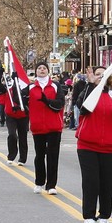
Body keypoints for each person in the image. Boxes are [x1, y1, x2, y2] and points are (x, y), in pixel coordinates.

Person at [74, 66, 112, 223]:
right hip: (87, 146)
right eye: (97, 74)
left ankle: (104, 216)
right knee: (91, 183)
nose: (100, 77)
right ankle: (89, 218)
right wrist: (90, 85)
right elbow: (82, 108)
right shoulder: (86, 93)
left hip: (109, 148)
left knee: (107, 183)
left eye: (103, 75)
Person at [28, 61, 66, 194]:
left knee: (52, 156)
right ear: (36, 71)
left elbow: (60, 103)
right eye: (39, 68)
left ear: (48, 71)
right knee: (39, 156)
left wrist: (47, 101)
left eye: (44, 68)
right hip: (38, 126)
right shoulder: (31, 86)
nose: (42, 70)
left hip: (54, 126)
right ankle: (39, 182)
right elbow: (19, 98)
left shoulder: (55, 86)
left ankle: (51, 185)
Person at [0, 75, 29, 166]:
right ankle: (11, 155)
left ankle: (22, 158)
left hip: (23, 115)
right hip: (10, 115)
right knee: (12, 135)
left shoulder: (25, 88)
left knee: (23, 136)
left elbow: (27, 100)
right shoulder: (8, 89)